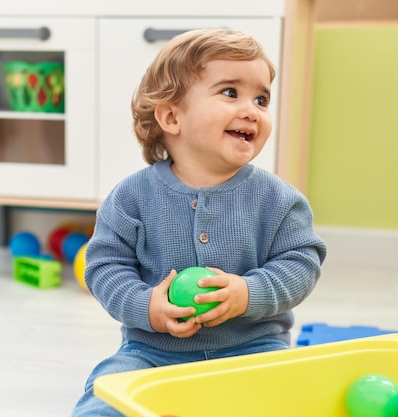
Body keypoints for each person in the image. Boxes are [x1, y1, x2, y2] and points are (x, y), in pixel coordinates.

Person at [72, 28, 327, 417]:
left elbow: (301, 263)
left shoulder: (280, 200)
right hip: (152, 354)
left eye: (261, 98)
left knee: (295, 399)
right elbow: (105, 267)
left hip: (253, 351)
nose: (251, 110)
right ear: (172, 116)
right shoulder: (130, 197)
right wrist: (148, 306)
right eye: (230, 92)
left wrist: (248, 291)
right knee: (107, 395)